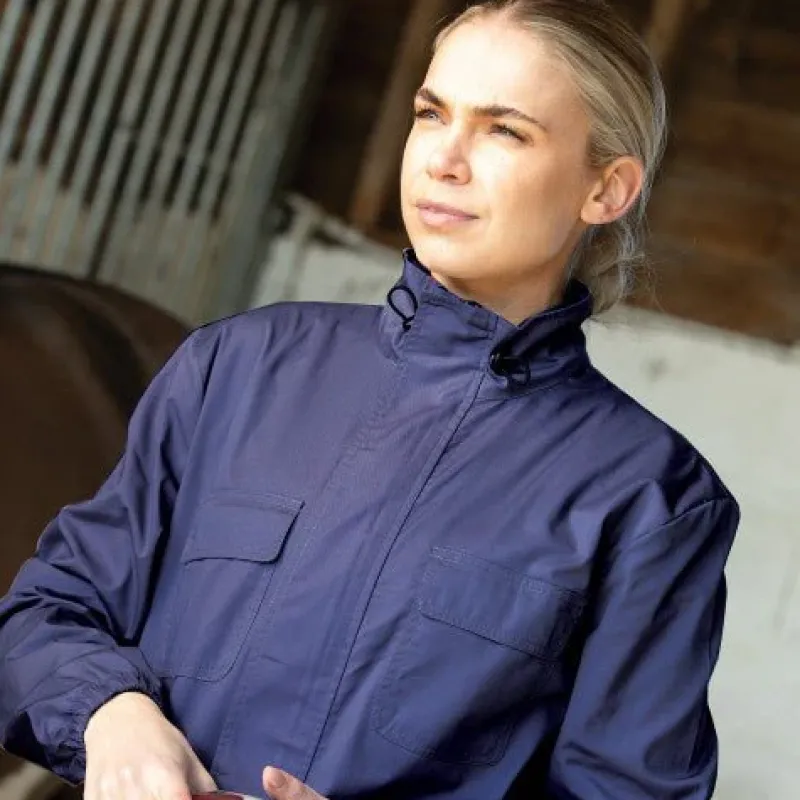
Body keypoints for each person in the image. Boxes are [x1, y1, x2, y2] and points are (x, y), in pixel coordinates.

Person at [0, 1, 740, 798]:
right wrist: (111, 713)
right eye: (431, 114)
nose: (443, 160)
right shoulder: (239, 365)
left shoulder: (652, 497)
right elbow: (42, 616)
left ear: (607, 188)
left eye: (504, 131)